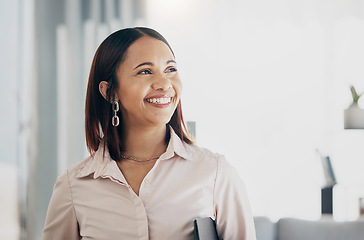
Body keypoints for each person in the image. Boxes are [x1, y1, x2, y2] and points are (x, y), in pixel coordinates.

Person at [42, 27, 256, 240]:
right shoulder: (74, 186)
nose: (164, 84)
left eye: (170, 69)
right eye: (145, 71)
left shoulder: (215, 173)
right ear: (109, 91)